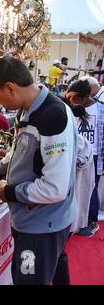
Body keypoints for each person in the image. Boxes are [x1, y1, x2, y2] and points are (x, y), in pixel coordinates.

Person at [0, 56, 78, 285]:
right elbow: (20, 154)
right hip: (33, 222)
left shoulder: (52, 116)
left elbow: (56, 188)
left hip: (41, 228)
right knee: (52, 270)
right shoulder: (27, 111)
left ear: (11, 88)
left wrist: (11, 191)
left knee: (29, 279)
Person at [65, 79, 103, 236]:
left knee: (90, 188)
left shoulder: (100, 108)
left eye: (74, 98)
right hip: (72, 154)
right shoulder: (69, 108)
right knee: (72, 188)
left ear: (85, 96)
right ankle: (73, 220)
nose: (71, 101)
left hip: (93, 155)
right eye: (69, 98)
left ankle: (90, 220)